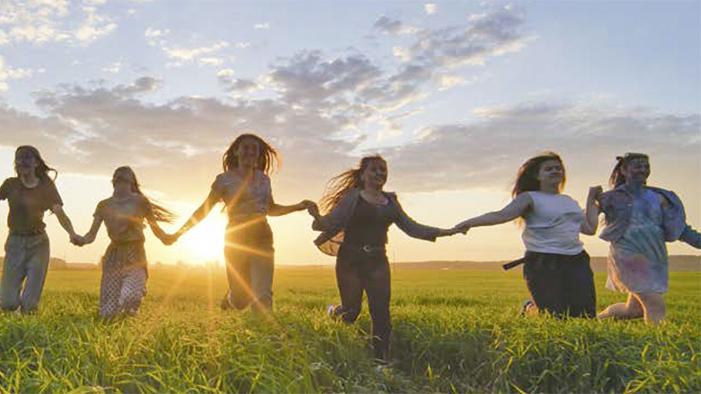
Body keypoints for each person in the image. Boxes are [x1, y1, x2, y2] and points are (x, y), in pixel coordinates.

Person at [308, 155, 461, 362]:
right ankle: (335, 312)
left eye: (383, 170)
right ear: (363, 174)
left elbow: (412, 228)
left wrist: (449, 231)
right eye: (374, 169)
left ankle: (380, 361)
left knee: (381, 313)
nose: (380, 173)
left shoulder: (391, 201)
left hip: (378, 260)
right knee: (351, 312)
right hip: (350, 260)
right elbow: (329, 223)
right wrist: (316, 216)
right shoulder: (352, 197)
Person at [165, 134, 315, 312]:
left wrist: (297, 206)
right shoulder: (224, 180)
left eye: (254, 149)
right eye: (245, 147)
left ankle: (267, 336)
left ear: (259, 155)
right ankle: (230, 298)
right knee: (241, 299)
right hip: (236, 239)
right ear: (236, 151)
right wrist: (178, 234)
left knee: (263, 296)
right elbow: (203, 210)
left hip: (262, 237)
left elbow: (270, 209)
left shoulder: (264, 179)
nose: (250, 152)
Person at [454, 152, 599, 318]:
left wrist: (592, 200)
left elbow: (589, 229)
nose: (555, 171)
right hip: (543, 260)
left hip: (576, 259)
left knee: (585, 313)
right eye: (548, 169)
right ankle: (530, 309)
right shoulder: (529, 198)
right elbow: (501, 215)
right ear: (537, 175)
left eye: (558, 168)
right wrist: (469, 223)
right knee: (554, 316)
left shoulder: (569, 201)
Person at [594, 153, 701, 326]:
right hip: (627, 257)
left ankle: (593, 320)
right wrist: (592, 199)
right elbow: (585, 222)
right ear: (623, 170)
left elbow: (681, 229)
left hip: (654, 257)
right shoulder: (610, 198)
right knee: (655, 305)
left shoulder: (660, 197)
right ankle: (659, 346)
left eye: (645, 166)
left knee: (633, 310)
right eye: (637, 166)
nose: (642, 170)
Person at [75, 166, 175, 319]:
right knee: (107, 315)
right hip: (113, 256)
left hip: (135, 254)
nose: (121, 180)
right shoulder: (104, 205)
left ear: (131, 182)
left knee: (131, 297)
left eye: (124, 178)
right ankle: (123, 324)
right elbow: (91, 234)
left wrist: (165, 238)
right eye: (118, 178)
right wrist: (81, 240)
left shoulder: (140, 201)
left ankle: (130, 312)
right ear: (113, 182)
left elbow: (155, 228)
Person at [0, 146, 81, 313]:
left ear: (36, 162)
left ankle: (25, 333)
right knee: (8, 303)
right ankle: (14, 312)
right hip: (15, 242)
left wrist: (72, 233)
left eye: (27, 157)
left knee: (30, 305)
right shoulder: (10, 184)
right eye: (19, 158)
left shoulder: (46, 187)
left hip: (38, 244)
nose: (22, 161)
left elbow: (59, 212)